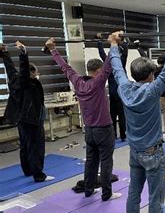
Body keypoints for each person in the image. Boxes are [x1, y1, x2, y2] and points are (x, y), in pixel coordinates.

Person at [108, 29, 165, 213]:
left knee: (134, 191)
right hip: (152, 153)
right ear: (150, 75)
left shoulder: (124, 88)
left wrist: (114, 44)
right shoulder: (152, 90)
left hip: (135, 152)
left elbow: (116, 68)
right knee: (155, 196)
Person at [46, 38, 119, 201]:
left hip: (89, 131)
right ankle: (107, 194)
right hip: (104, 130)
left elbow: (65, 67)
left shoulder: (78, 82)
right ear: (98, 71)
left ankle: (88, 190)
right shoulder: (98, 82)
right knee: (106, 162)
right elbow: (109, 64)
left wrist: (53, 50)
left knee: (91, 162)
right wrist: (113, 44)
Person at [1, 42, 53, 182]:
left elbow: (10, 68)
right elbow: (23, 69)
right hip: (31, 119)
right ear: (31, 73)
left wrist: (5, 53)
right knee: (35, 147)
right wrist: (23, 53)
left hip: (22, 119)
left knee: (25, 146)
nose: (38, 75)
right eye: (36, 73)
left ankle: (28, 170)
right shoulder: (27, 82)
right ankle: (39, 175)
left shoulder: (14, 80)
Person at [135, 44, 165, 150]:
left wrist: (139, 47)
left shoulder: (155, 69)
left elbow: (145, 58)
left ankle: (158, 139)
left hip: (156, 97)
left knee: (156, 120)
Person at [97, 35, 127, 142]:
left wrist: (99, 41)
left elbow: (101, 54)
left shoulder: (108, 63)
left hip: (113, 92)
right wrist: (121, 41)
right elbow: (125, 52)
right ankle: (123, 135)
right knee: (121, 115)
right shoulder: (120, 63)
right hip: (119, 93)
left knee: (113, 115)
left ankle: (114, 135)